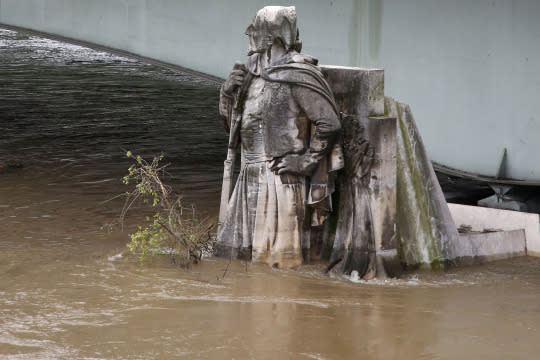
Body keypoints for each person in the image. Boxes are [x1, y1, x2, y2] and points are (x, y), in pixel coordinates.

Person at [215, 6, 342, 269]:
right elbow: (234, 131)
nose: (250, 38)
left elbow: (329, 122)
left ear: (272, 36)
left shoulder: (297, 73)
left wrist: (304, 163)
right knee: (234, 261)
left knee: (276, 265)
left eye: (256, 30)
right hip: (248, 174)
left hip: (278, 179)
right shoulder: (249, 74)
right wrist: (227, 94)